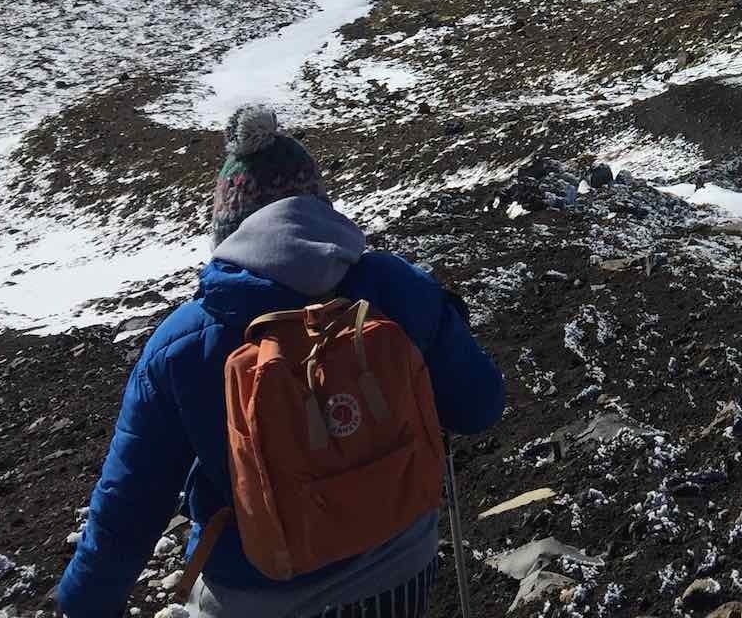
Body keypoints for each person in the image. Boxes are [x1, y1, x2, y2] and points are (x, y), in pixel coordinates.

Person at [56, 105, 505, 618]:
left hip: (259, 593)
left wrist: (84, 601)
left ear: (227, 230)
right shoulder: (396, 287)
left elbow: (131, 499)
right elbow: (480, 406)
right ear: (319, 209)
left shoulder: (183, 341)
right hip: (398, 567)